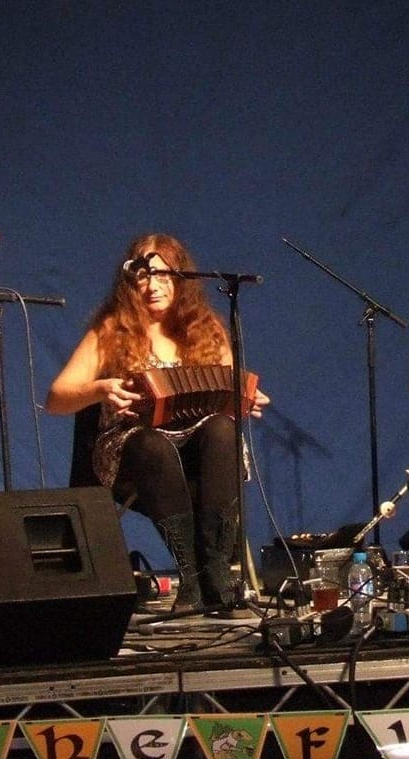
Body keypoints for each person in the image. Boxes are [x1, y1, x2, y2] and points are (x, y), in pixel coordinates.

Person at [47, 233, 268, 618]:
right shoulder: (111, 330)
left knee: (221, 429)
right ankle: (192, 576)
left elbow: (229, 391)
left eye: (164, 276)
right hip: (133, 448)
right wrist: (99, 389)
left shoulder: (206, 329)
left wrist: (245, 401)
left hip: (199, 444)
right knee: (152, 444)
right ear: (131, 283)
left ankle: (216, 570)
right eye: (144, 277)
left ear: (181, 280)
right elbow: (56, 398)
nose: (154, 286)